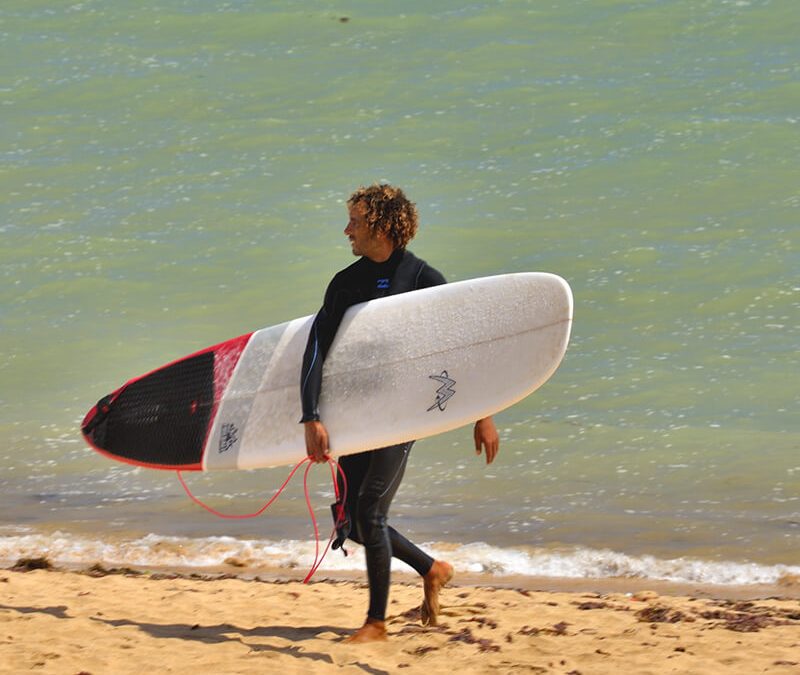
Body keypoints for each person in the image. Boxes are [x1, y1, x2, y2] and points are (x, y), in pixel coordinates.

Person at [300, 183, 499, 643]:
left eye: (355, 221)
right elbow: (315, 350)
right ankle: (432, 569)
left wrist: (484, 413)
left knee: (370, 509)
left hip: (403, 414)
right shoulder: (346, 282)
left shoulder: (423, 279)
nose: (346, 229)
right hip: (358, 414)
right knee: (350, 522)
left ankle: (376, 623)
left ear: (381, 226)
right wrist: (311, 416)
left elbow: (466, 349)